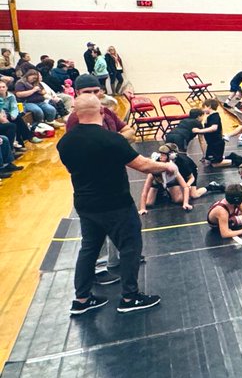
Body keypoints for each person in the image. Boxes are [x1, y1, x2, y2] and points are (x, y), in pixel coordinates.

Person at [57, 93, 171, 316]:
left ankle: (82, 299)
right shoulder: (111, 139)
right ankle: (130, 297)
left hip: (85, 203)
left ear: (75, 113)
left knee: (89, 249)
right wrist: (167, 167)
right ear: (102, 111)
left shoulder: (65, 142)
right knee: (129, 247)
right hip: (115, 203)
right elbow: (144, 166)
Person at [138, 141, 205, 212]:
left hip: (187, 174)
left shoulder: (180, 164)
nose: (161, 157)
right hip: (161, 180)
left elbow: (189, 181)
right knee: (148, 203)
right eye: (161, 154)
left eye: (163, 155)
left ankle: (210, 187)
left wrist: (185, 203)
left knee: (182, 198)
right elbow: (144, 191)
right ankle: (161, 192)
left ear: (171, 156)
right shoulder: (154, 169)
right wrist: (142, 208)